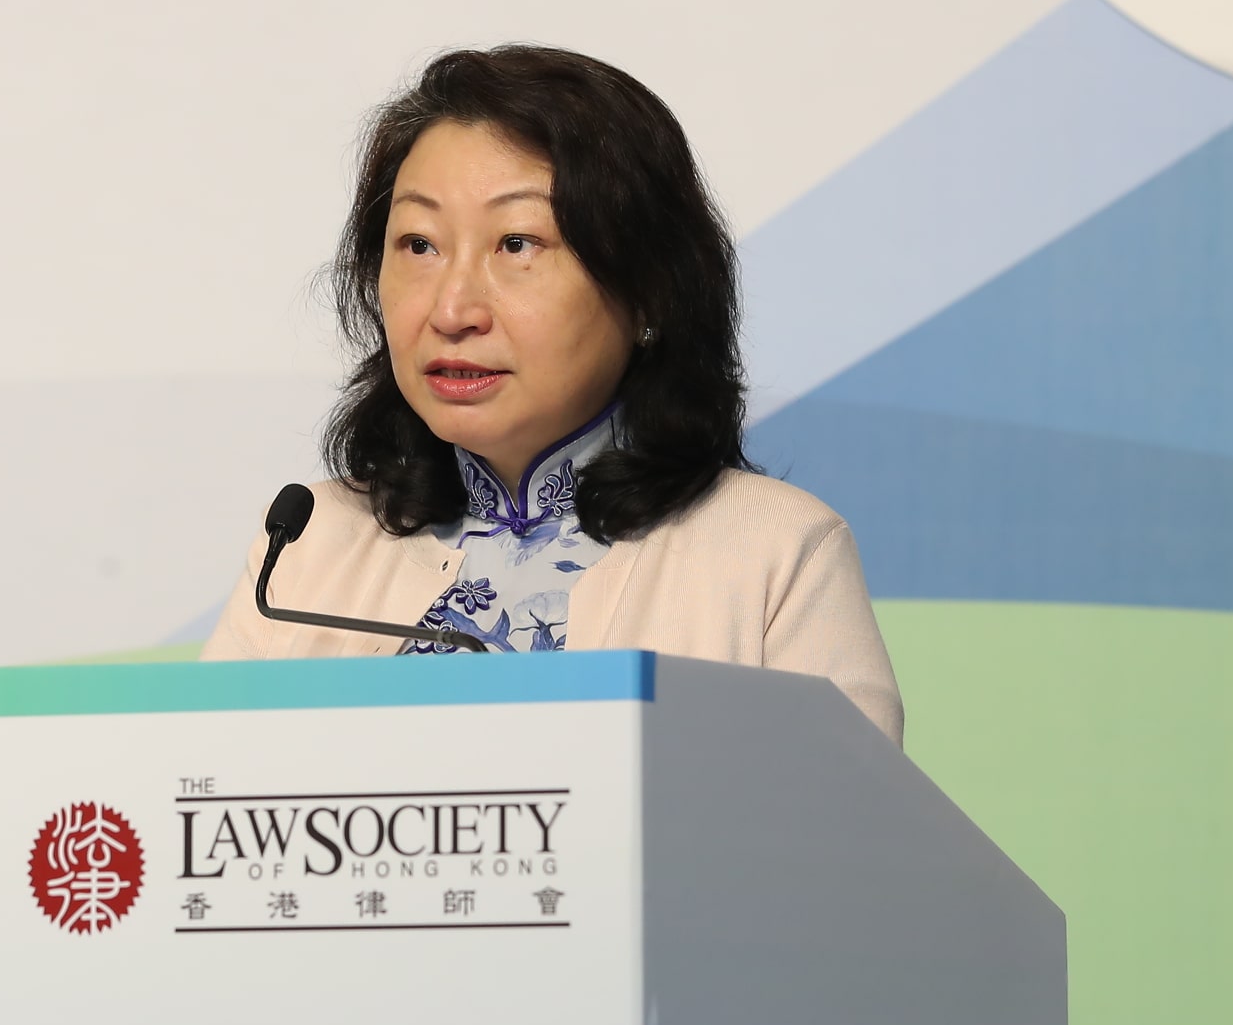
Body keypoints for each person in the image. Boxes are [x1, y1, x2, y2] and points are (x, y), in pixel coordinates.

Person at [201, 45, 903, 745]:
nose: (452, 310)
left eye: (516, 244)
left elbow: (841, 818)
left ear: (649, 289)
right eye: (419, 245)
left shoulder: (777, 552)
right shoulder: (304, 544)